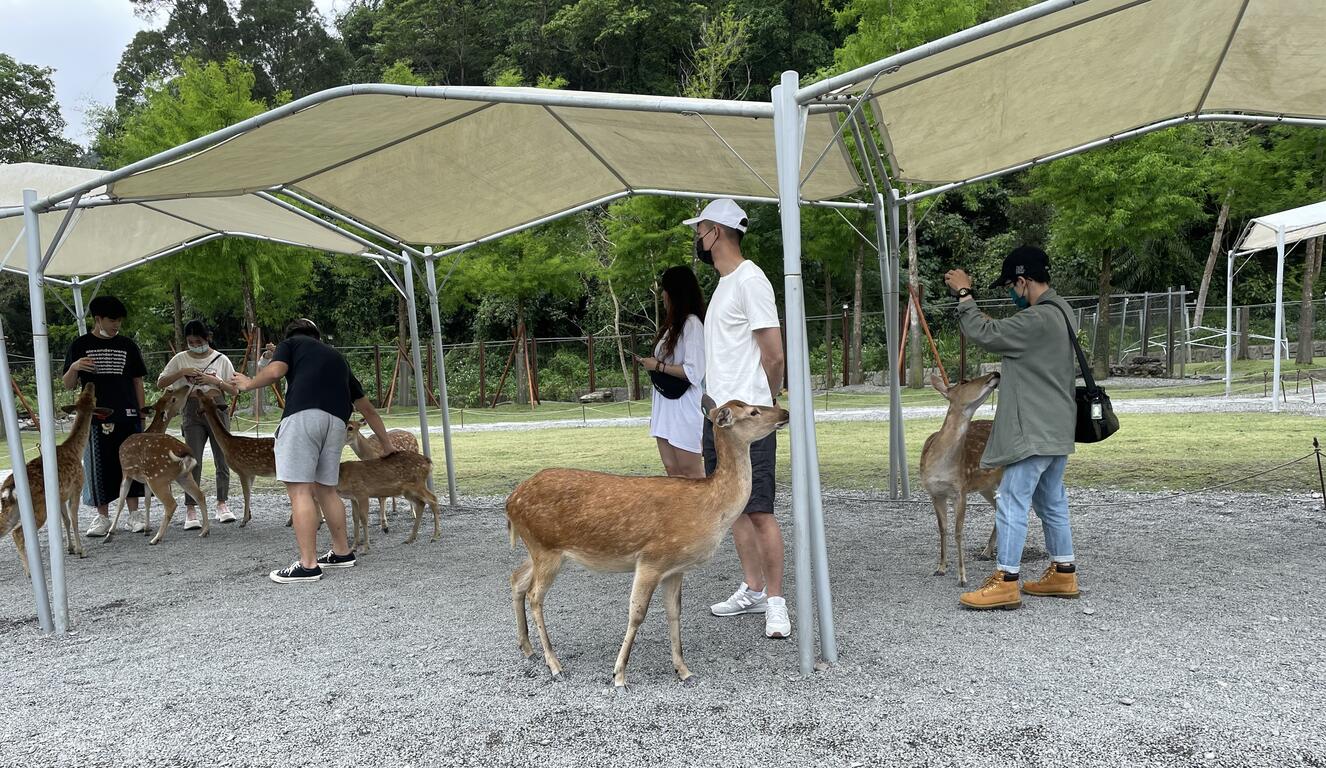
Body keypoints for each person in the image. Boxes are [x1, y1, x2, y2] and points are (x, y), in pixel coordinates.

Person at [943, 245, 1080, 610]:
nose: (1010, 293)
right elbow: (1006, 334)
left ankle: (1005, 580)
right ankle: (1064, 571)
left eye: (1010, 286)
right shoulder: (1062, 311)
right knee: (1051, 500)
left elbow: (984, 333)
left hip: (1032, 430)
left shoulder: (1037, 319)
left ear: (1023, 281)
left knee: (1011, 500)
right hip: (1057, 427)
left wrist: (964, 293)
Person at [683, 198, 790, 639]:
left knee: (759, 509)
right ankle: (754, 588)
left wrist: (762, 402)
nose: (698, 239)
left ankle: (776, 602)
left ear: (716, 233)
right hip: (720, 420)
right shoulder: (726, 284)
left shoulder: (751, 280)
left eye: (700, 231)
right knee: (734, 508)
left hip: (746, 422)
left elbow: (774, 354)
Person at [230, 318, 396, 584]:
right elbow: (368, 409)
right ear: (317, 336)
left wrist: (248, 383)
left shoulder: (291, 344)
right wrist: (387, 445)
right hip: (336, 424)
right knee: (326, 489)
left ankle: (308, 565)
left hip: (303, 418)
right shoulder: (338, 359)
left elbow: (276, 371)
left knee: (300, 490)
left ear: (292, 335)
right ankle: (342, 552)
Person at [62, 295, 148, 536]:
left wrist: (141, 414)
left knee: (132, 463)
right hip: (94, 418)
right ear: (98, 319)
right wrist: (74, 367)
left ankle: (134, 514)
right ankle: (102, 517)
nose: (116, 325)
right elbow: (68, 384)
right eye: (112, 320)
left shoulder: (128, 345)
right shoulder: (80, 345)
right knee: (98, 466)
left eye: (119, 320)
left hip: (127, 414)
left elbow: (138, 381)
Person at [157, 320, 239, 528]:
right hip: (191, 409)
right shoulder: (180, 359)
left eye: (199, 342)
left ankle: (222, 503)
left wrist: (213, 381)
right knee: (192, 459)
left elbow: (234, 390)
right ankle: (191, 507)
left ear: (207, 338)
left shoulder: (221, 359)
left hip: (216, 407)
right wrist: (181, 372)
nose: (195, 345)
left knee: (222, 457)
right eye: (191, 342)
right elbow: (161, 382)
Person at [637, 265, 706, 479]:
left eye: (664, 290)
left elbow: (694, 372)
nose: (662, 296)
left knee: (690, 472)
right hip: (665, 404)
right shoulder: (671, 326)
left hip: (684, 404)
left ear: (674, 293)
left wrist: (657, 366)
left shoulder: (692, 324)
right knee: (672, 471)